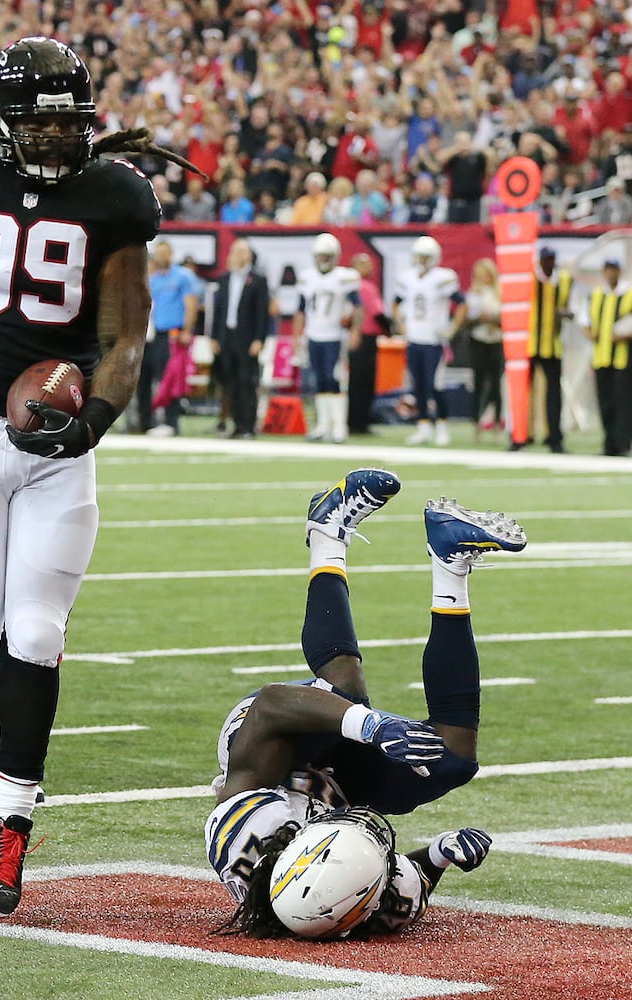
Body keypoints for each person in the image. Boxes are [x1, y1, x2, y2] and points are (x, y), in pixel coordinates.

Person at [0, 37, 185, 917]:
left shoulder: (117, 196)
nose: (56, 135)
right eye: (39, 119)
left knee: (38, 635)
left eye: (68, 118)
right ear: (4, 122)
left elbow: (127, 333)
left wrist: (94, 420)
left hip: (59, 444)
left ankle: (12, 827)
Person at [208, 468, 524, 939]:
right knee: (453, 759)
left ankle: (328, 533)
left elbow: (272, 705)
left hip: (271, 737)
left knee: (344, 694)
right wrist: (439, 854)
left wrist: (369, 725)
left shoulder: (247, 833)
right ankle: (450, 560)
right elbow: (401, 880)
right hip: (334, 786)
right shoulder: (348, 899)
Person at [391, 236, 465, 446]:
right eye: (419, 257)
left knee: (436, 386)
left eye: (426, 257)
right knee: (419, 387)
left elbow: (462, 303)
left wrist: (452, 328)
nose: (422, 261)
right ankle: (423, 427)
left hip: (434, 341)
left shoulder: (442, 278)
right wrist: (401, 325)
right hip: (414, 339)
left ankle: (442, 427)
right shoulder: (408, 278)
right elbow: (396, 304)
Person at [292, 233, 362, 443]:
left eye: (326, 256)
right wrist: (297, 335)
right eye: (320, 256)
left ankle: (339, 426)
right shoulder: (307, 277)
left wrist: (355, 331)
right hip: (314, 334)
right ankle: (323, 425)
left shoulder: (344, 277)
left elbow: (358, 307)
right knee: (320, 380)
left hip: (334, 336)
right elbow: (300, 310)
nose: (322, 260)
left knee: (335, 380)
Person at [583, 257, 632, 457]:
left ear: (620, 271)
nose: (611, 273)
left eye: (614, 270)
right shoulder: (595, 294)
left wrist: (626, 334)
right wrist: (590, 333)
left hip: (623, 358)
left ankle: (623, 444)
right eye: (608, 270)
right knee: (606, 402)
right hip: (601, 356)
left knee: (623, 402)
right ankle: (609, 444)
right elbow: (584, 321)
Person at [211, 238, 271, 440]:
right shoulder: (225, 279)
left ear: (249, 255)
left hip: (247, 337)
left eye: (242, 251)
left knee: (247, 381)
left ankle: (248, 425)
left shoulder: (258, 280)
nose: (238, 255)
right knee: (231, 382)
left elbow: (263, 313)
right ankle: (236, 424)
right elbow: (218, 311)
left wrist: (259, 339)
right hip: (227, 335)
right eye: (235, 251)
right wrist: (214, 337)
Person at [142, 241, 200, 436]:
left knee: (173, 377)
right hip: (156, 334)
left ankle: (171, 421)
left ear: (171, 254)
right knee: (157, 376)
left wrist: (187, 330)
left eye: (165, 253)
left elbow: (191, 304)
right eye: (158, 253)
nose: (161, 257)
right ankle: (150, 420)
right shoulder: (154, 280)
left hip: (175, 333)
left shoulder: (183, 276)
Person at [530, 246, 572, 453]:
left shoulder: (563, 280)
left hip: (553, 345)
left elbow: (570, 309)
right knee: (522, 392)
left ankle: (554, 436)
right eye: (546, 259)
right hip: (528, 344)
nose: (549, 263)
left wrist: (563, 313)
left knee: (554, 395)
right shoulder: (529, 279)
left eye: (552, 259)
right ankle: (521, 435)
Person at [347, 253, 387, 436]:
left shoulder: (348, 286)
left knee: (355, 382)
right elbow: (377, 313)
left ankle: (354, 420)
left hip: (352, 336)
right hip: (365, 337)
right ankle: (360, 422)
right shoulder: (364, 287)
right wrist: (391, 330)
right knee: (363, 382)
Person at [465, 259, 504, 439]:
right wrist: (479, 318)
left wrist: (494, 320)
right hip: (479, 340)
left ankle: (496, 424)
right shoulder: (472, 294)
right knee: (479, 384)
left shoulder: (499, 293)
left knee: (496, 385)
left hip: (496, 340)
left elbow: (507, 319)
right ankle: (476, 425)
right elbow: (466, 320)